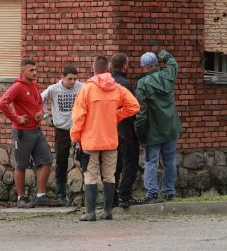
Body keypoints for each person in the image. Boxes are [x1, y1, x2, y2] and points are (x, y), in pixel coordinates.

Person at [70, 55, 139, 221]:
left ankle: (90, 213)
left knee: (90, 176)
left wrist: (75, 136)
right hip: (110, 139)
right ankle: (108, 211)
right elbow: (134, 106)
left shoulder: (86, 89)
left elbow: (79, 117)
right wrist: (116, 116)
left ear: (93, 69)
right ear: (108, 70)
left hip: (90, 140)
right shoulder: (117, 88)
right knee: (109, 175)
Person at [0, 59, 62, 208]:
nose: (35, 72)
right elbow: (2, 103)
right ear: (22, 72)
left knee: (46, 160)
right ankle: (21, 198)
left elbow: (40, 101)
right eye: (31, 70)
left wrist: (40, 112)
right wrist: (16, 118)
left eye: (35, 69)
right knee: (21, 165)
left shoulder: (34, 84)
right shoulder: (17, 87)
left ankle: (41, 196)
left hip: (37, 130)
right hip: (22, 132)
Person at [134, 50, 182, 204]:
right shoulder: (168, 75)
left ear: (144, 66)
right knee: (169, 161)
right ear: (156, 64)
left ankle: (152, 193)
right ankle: (168, 192)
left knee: (151, 162)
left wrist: (139, 132)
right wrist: (164, 54)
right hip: (170, 128)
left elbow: (141, 112)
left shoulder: (143, 83)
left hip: (153, 131)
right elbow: (174, 64)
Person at [41, 65, 84, 205]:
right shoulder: (54, 89)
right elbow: (39, 99)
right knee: (61, 161)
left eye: (75, 79)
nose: (72, 82)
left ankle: (87, 192)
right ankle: (61, 194)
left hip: (79, 129)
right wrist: (46, 116)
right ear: (63, 77)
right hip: (62, 130)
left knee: (85, 158)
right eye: (70, 79)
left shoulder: (81, 87)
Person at [110, 52, 140, 208]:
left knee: (114, 165)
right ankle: (125, 196)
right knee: (130, 162)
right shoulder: (125, 84)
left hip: (108, 130)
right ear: (125, 66)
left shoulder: (106, 83)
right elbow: (133, 107)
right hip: (125, 130)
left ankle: (112, 197)